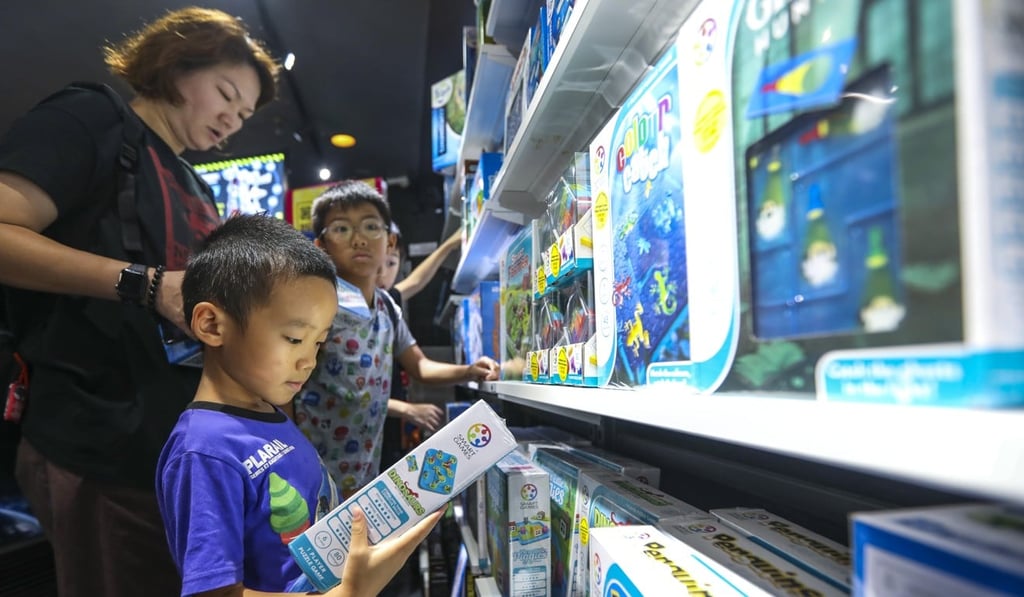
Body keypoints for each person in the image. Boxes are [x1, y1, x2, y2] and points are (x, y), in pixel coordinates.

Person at [0, 8, 278, 596]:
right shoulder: (96, 119)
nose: (232, 119)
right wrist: (147, 284)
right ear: (177, 66)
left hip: (177, 455)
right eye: (226, 94)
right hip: (100, 445)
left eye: (244, 114)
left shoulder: (196, 183)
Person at [157, 214, 442, 597]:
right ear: (211, 324)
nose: (308, 361)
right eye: (294, 339)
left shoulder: (269, 413)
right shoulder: (204, 451)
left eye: (319, 343)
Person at [294, 180, 499, 499]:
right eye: (341, 229)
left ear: (390, 243)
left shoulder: (387, 306)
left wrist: (469, 370)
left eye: (371, 226)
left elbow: (420, 366)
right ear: (320, 246)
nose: (359, 239)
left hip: (363, 470)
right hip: (309, 469)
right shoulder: (316, 304)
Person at [376, 225, 461, 472]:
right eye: (378, 263)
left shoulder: (387, 305)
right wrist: (406, 409)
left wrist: (448, 246)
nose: (382, 274)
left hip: (387, 432)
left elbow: (416, 280)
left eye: (392, 263)